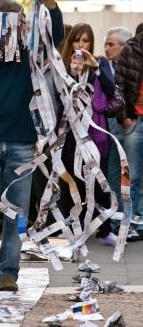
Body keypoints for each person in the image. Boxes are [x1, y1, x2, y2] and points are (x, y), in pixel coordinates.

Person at [0, 0, 64, 296]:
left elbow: (56, 35)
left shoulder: (29, 48)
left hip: (22, 140)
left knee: (17, 213)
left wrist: (49, 4)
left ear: (23, 22)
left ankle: (9, 272)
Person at [60, 23, 117, 246]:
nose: (81, 45)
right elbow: (58, 97)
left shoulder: (99, 62)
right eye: (77, 40)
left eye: (86, 41)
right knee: (71, 180)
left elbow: (112, 91)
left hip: (96, 131)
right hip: (70, 131)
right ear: (71, 42)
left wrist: (96, 68)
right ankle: (73, 227)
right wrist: (72, 74)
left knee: (99, 180)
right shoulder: (64, 65)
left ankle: (103, 229)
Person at [115, 22, 143, 241]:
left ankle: (140, 220)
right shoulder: (130, 50)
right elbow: (119, 86)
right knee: (131, 175)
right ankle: (128, 222)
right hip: (135, 120)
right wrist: (124, 117)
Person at [104, 27, 132, 236]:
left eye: (111, 44)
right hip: (109, 128)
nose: (106, 49)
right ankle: (116, 221)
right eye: (106, 44)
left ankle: (131, 220)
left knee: (132, 175)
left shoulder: (133, 67)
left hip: (129, 126)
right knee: (113, 174)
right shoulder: (104, 67)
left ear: (125, 47)